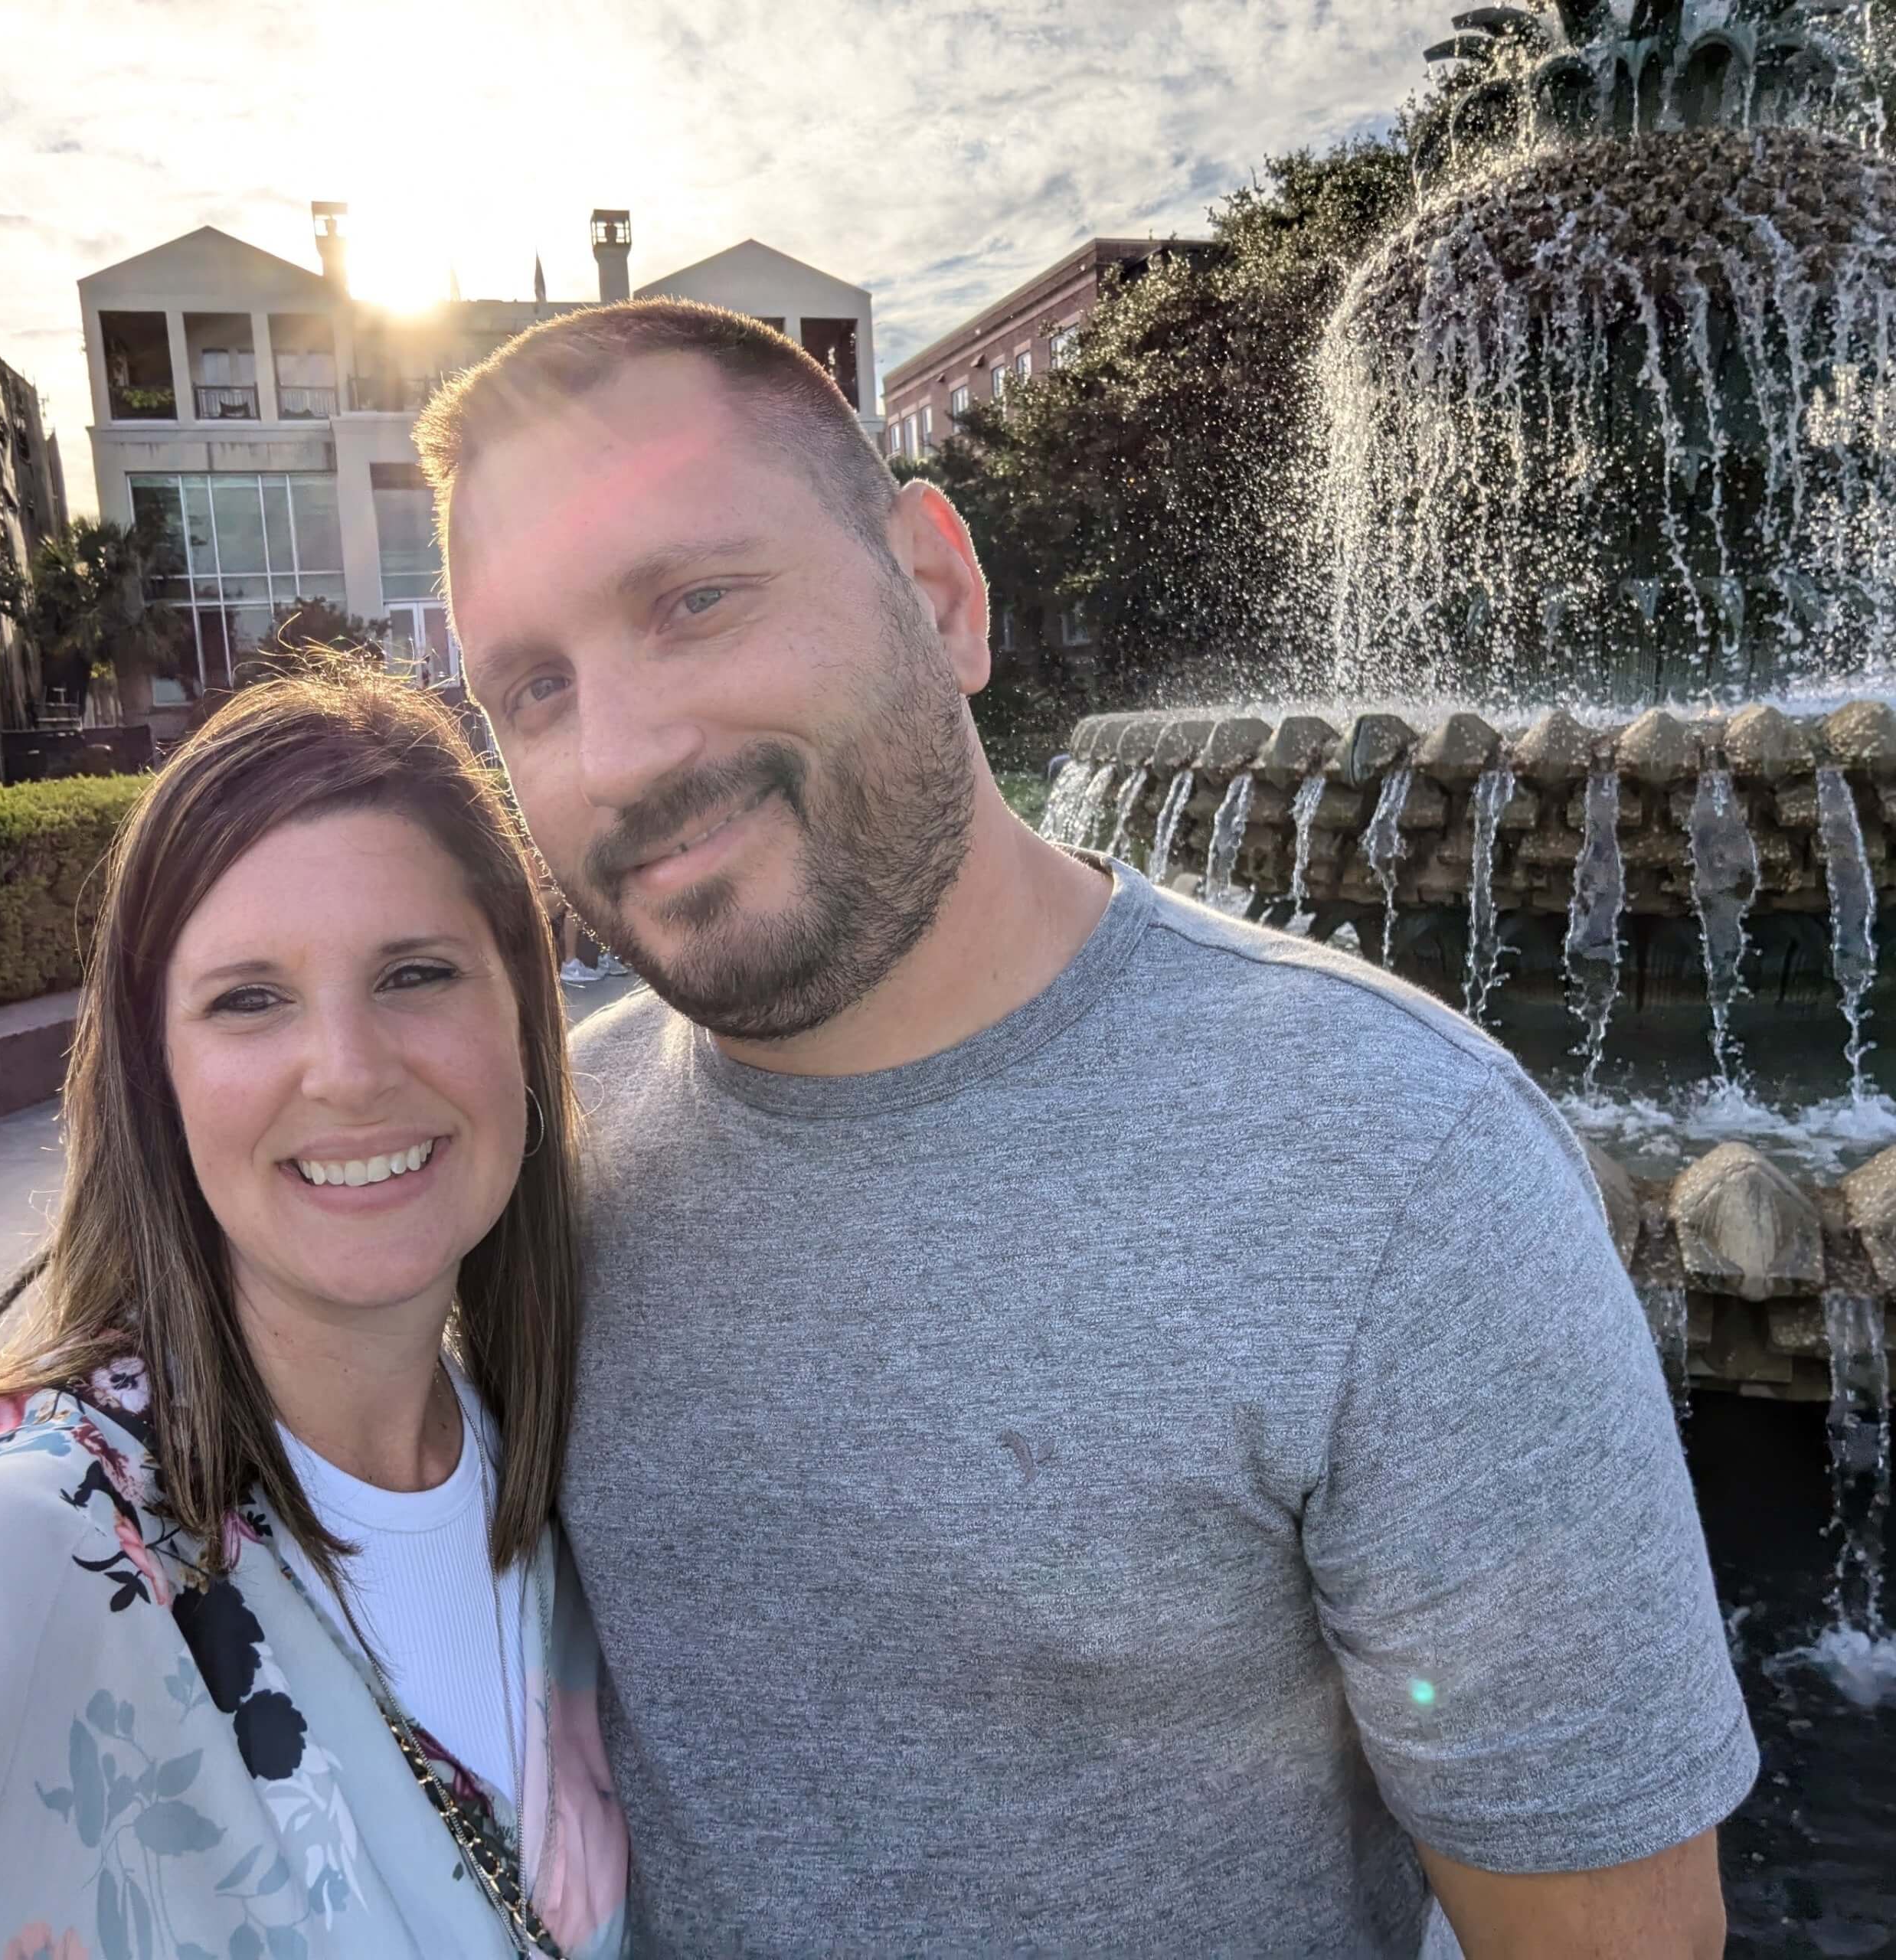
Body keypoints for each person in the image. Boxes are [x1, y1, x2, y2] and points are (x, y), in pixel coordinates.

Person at [422, 301, 1758, 1957]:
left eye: (693, 602)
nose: (617, 757)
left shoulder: (1400, 1167)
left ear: (937, 591)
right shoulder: (528, 1158)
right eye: (530, 686)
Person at [0, 673, 627, 1959]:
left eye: (416, 973)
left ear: (527, 1017)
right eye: (249, 998)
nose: (352, 1071)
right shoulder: (15, 1543)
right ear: (159, 1075)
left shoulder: (574, 1479)